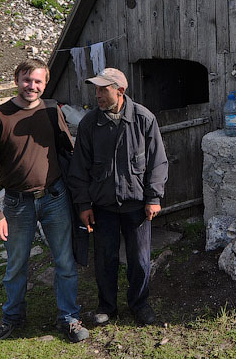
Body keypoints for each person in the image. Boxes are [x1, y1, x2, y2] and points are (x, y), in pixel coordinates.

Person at [0, 58, 89, 344]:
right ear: (16, 79)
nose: (32, 86)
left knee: (64, 260)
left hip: (55, 197)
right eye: (27, 80)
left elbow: (68, 151)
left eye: (38, 81)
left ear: (45, 83)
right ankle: (12, 317)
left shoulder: (52, 110)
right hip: (16, 203)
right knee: (16, 264)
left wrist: (83, 197)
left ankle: (68, 317)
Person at [69, 67, 169, 326]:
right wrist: (83, 204)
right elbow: (79, 168)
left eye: (103, 89)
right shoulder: (90, 124)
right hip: (103, 205)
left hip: (136, 205)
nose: (98, 95)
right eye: (96, 89)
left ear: (120, 91)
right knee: (105, 259)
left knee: (139, 259)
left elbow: (158, 162)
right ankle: (107, 306)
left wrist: (153, 198)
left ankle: (139, 303)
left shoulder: (144, 119)